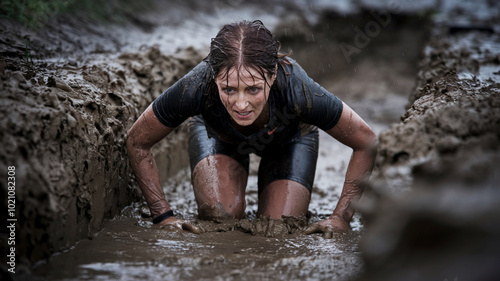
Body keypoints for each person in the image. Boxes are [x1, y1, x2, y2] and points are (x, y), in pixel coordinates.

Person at [126, 20, 377, 235]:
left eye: (253, 89)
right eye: (229, 90)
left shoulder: (298, 89)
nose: (241, 104)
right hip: (218, 135)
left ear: (272, 75)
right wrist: (162, 215)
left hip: (289, 140)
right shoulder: (196, 86)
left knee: (280, 227)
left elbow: (365, 141)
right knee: (219, 214)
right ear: (214, 79)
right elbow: (137, 140)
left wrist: (341, 217)